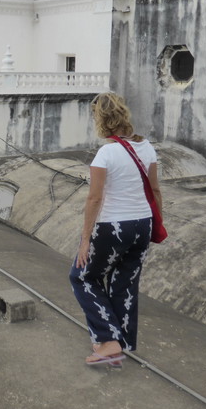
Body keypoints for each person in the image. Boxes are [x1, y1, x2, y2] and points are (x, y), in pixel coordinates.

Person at [69, 92, 162, 367]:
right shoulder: (146, 147)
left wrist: (85, 240)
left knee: (83, 277)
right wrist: (157, 224)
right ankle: (121, 344)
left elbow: (95, 198)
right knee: (124, 284)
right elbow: (155, 190)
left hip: (114, 226)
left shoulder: (105, 153)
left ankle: (108, 341)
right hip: (142, 225)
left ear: (101, 120)